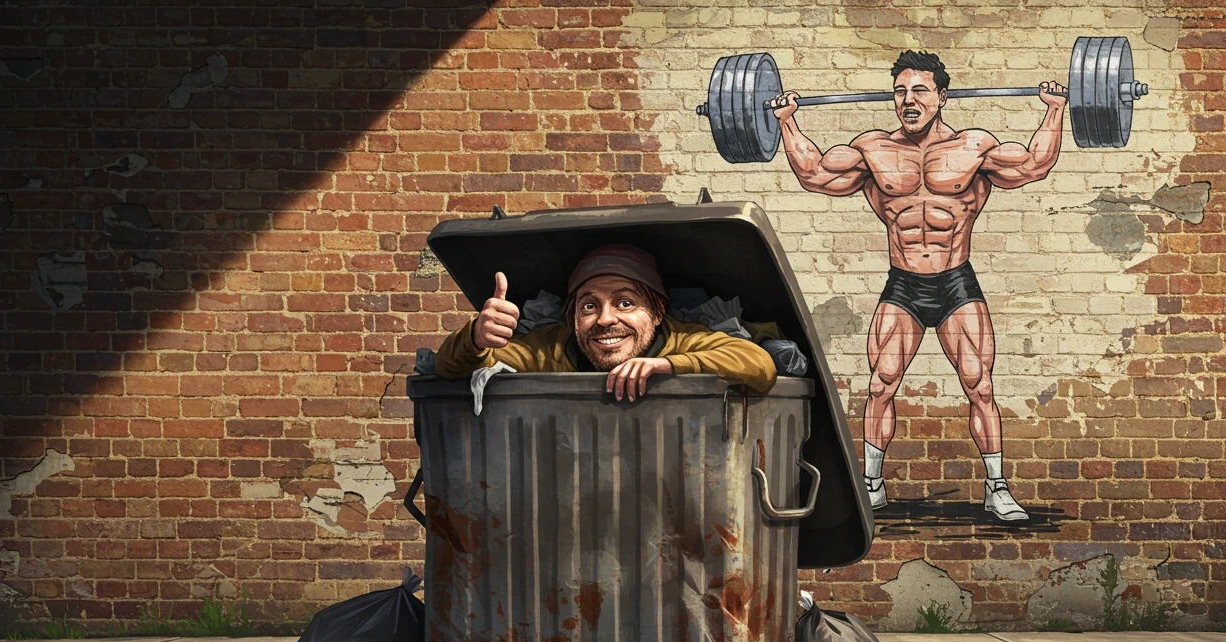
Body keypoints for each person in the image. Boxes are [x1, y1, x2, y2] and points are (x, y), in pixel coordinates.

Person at [772, 50, 1066, 522]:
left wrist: (1054, 109)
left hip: (955, 284)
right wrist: (787, 122)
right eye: (899, 91)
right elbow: (815, 174)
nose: (908, 100)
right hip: (904, 285)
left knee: (980, 386)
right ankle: (873, 485)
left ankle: (996, 488)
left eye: (920, 90)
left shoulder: (973, 146)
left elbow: (1032, 165)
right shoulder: (872, 149)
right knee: (881, 384)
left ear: (942, 96)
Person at [434, 243, 777, 399]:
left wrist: (667, 366)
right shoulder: (549, 349)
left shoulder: (683, 339)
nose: (605, 319)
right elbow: (452, 369)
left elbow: (759, 365)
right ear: (572, 318)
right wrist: (477, 337)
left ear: (657, 313)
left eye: (625, 303)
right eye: (588, 307)